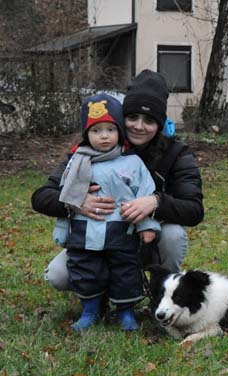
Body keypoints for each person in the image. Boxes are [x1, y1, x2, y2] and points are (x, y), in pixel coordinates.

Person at [33, 70, 205, 292]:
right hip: (94, 240)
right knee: (58, 276)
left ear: (160, 125)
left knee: (173, 235)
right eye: (132, 117)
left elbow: (194, 209)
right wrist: (75, 200)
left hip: (145, 239)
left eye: (149, 121)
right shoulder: (87, 152)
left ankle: (162, 290)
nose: (139, 126)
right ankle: (97, 292)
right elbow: (40, 197)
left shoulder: (176, 153)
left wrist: (155, 202)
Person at [53, 93, 161, 332]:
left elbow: (143, 194)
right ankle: (90, 311)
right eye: (96, 131)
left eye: (110, 130)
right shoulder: (77, 162)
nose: (103, 136)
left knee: (125, 271)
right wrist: (62, 227)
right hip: (85, 231)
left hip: (121, 230)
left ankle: (126, 313)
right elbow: (64, 196)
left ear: (119, 132)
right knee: (85, 271)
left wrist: (146, 227)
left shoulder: (132, 163)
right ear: (86, 135)